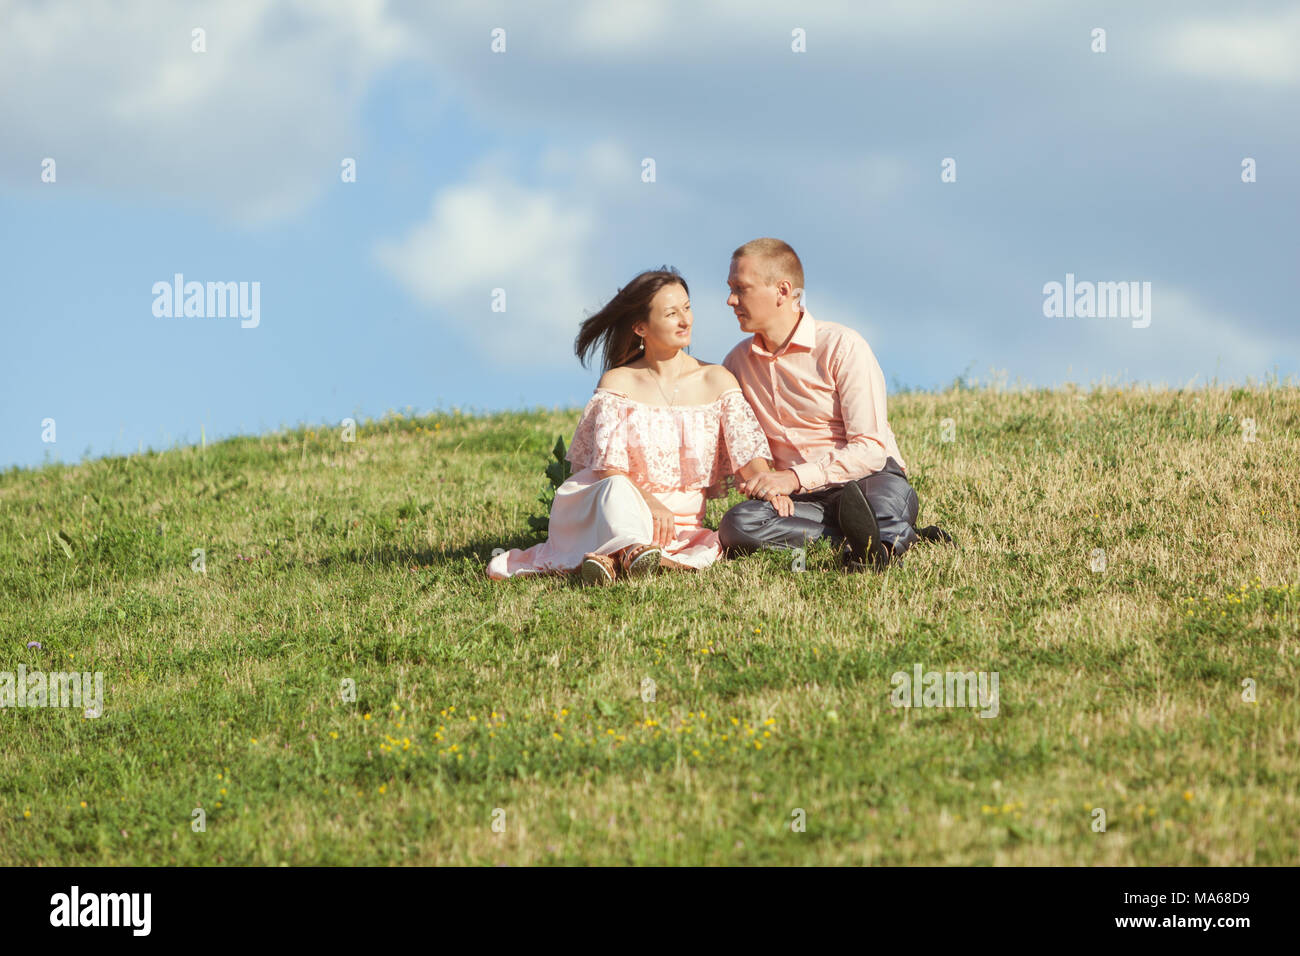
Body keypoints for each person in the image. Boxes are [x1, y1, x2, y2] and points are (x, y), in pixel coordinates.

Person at [487, 267, 781, 585]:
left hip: (679, 523)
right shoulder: (618, 382)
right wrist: (650, 503)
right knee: (616, 487)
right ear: (641, 327)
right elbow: (607, 469)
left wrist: (776, 485)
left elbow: (749, 457)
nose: (686, 320)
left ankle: (611, 559)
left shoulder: (716, 380)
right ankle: (627, 550)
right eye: (671, 313)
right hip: (609, 505)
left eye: (687, 307)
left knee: (651, 531)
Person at [718, 238, 953, 572]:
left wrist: (793, 477)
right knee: (737, 524)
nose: (731, 300)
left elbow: (871, 449)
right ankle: (868, 538)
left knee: (877, 507)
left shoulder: (843, 346)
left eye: (741, 289)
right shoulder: (736, 364)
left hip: (867, 481)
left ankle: (876, 546)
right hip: (802, 503)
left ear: (782, 291)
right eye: (730, 289)